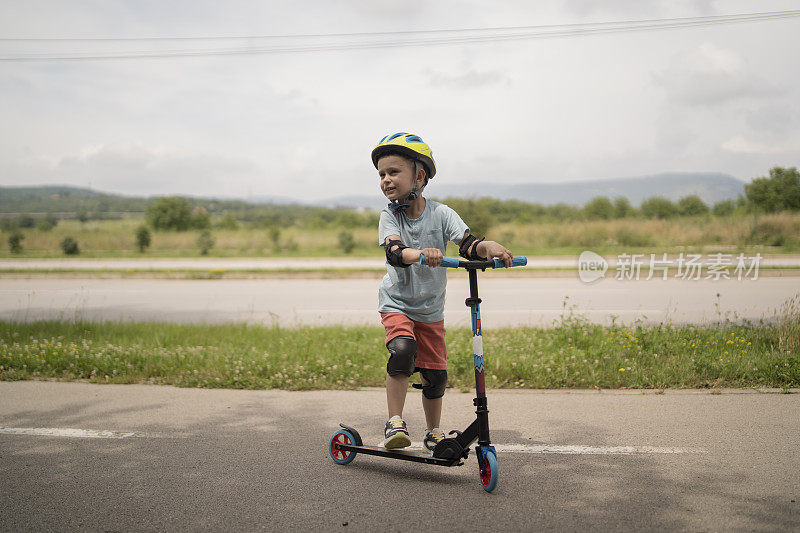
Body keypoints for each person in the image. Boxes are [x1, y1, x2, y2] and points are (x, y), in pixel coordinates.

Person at [372, 132, 513, 451]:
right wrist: (419, 253)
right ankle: (395, 422)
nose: (386, 180)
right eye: (381, 174)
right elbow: (394, 251)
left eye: (394, 172)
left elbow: (467, 244)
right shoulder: (388, 217)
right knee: (403, 352)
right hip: (397, 304)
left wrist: (486, 246)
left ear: (419, 176)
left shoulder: (442, 214)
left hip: (431, 310)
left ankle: (433, 431)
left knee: (436, 377)